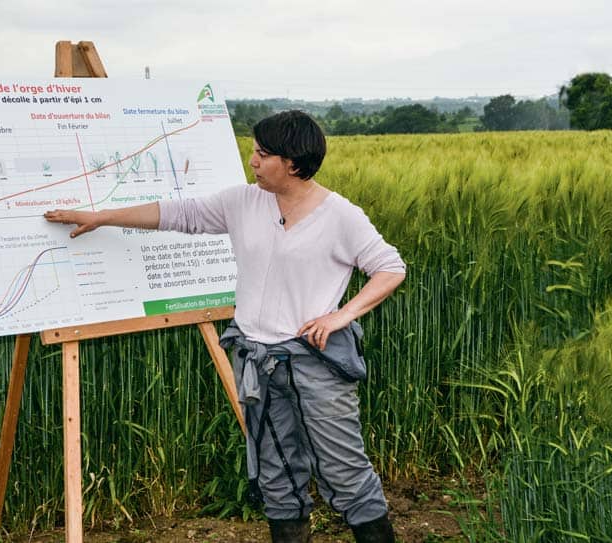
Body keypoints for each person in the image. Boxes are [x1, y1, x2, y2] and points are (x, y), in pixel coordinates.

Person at [45, 110, 405, 542]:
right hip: (256, 360)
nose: (252, 160)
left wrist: (341, 315)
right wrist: (102, 216)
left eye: (262, 154)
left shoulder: (340, 216)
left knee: (343, 468)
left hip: (316, 364)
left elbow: (389, 268)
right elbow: (179, 214)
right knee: (276, 472)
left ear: (292, 163)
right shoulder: (243, 202)